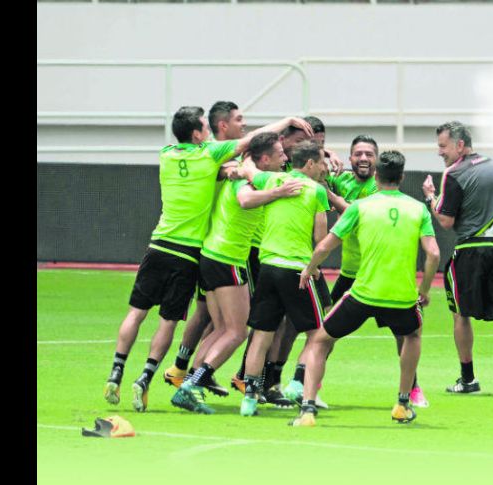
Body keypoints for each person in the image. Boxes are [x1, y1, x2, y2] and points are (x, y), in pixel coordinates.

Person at [102, 105, 313, 412]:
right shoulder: (219, 160)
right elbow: (249, 159)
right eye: (280, 153)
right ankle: (177, 380)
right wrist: (271, 182)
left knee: (195, 323)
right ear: (201, 133)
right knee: (228, 330)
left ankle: (128, 371)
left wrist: (235, 170)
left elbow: (243, 154)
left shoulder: (168, 154)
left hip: (172, 247)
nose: (285, 158)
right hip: (207, 254)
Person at [290, 150, 440, 427]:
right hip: (402, 297)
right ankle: (403, 404)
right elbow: (433, 253)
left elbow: (325, 245)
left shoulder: (360, 207)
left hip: (363, 294)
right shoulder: (418, 208)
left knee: (320, 341)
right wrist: (425, 289)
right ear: (402, 177)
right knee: (412, 335)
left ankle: (308, 409)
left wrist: (309, 268)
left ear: (377, 176)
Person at [170, 132, 303, 414]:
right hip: (226, 259)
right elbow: (245, 200)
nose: (285, 158)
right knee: (237, 331)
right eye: (280, 154)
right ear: (264, 159)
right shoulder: (244, 179)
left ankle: (191, 384)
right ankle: (193, 384)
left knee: (221, 329)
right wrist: (278, 192)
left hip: (213, 256)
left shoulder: (248, 173)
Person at [421, 121, 493, 398]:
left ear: (459, 145)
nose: (440, 152)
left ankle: (468, 378)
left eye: (443, 146)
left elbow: (446, 221)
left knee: (461, 314)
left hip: (472, 250)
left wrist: (430, 198)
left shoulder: (453, 173)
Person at [322, 135, 430, 408]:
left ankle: (413, 388)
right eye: (357, 153)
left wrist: (331, 196)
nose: (363, 158)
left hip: (380, 274)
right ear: (349, 158)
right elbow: (312, 172)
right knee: (326, 331)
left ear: (377, 163)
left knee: (404, 335)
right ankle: (309, 382)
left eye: (369, 154)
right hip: (351, 272)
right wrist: (324, 152)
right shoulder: (342, 180)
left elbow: (354, 212)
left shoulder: (379, 188)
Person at [234, 140, 331, 417]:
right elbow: (321, 239)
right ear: (309, 163)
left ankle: (249, 398)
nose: (323, 167)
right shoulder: (316, 191)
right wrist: (313, 267)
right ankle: (301, 387)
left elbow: (248, 169)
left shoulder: (272, 179)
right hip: (296, 269)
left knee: (262, 335)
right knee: (319, 335)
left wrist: (237, 168)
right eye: (321, 161)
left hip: (267, 267)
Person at [161, 100, 249, 398]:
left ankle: (192, 373)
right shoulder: (211, 155)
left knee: (218, 320)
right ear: (223, 126)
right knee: (208, 316)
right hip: (214, 246)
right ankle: (183, 369)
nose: (244, 125)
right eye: (239, 120)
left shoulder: (221, 155)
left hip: (217, 246)